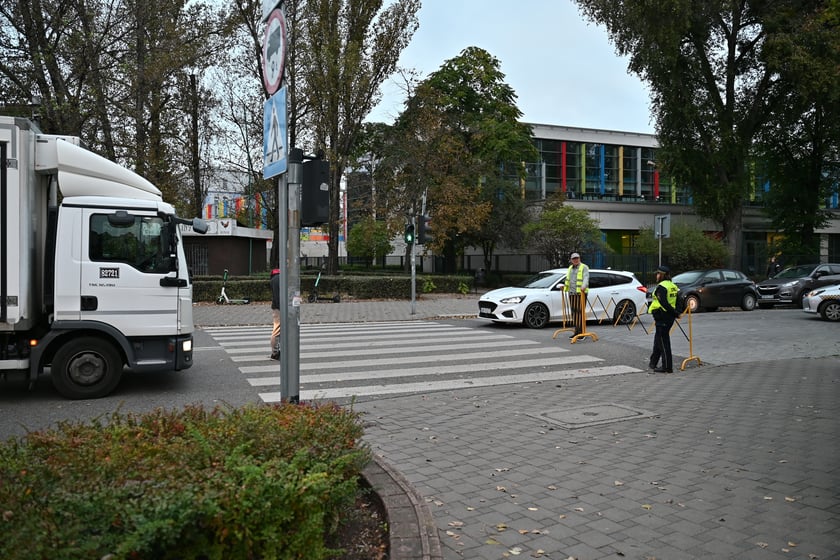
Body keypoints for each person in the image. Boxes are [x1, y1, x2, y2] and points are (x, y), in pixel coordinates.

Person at [648, 265, 680, 373]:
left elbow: (664, 303)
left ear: (662, 275)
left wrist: (674, 313)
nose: (656, 276)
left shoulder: (661, 287)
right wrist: (676, 313)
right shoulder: (672, 285)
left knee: (663, 342)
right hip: (668, 317)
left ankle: (667, 366)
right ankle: (653, 362)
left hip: (662, 316)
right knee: (659, 339)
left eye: (658, 274)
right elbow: (678, 300)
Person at [564, 252, 589, 338]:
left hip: (580, 293)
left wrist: (584, 286)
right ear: (571, 260)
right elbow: (568, 279)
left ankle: (581, 333)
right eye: (574, 258)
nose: (576, 260)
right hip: (572, 293)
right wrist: (565, 287)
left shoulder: (584, 267)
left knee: (580, 312)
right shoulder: (570, 268)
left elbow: (586, 277)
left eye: (577, 258)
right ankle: (576, 331)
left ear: (579, 259)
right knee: (574, 312)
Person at [269, 268, 281, 360]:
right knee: (277, 330)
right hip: (279, 308)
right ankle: (275, 352)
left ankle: (276, 350)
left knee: (277, 329)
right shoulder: (279, 279)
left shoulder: (274, 279)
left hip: (276, 307)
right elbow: (278, 296)